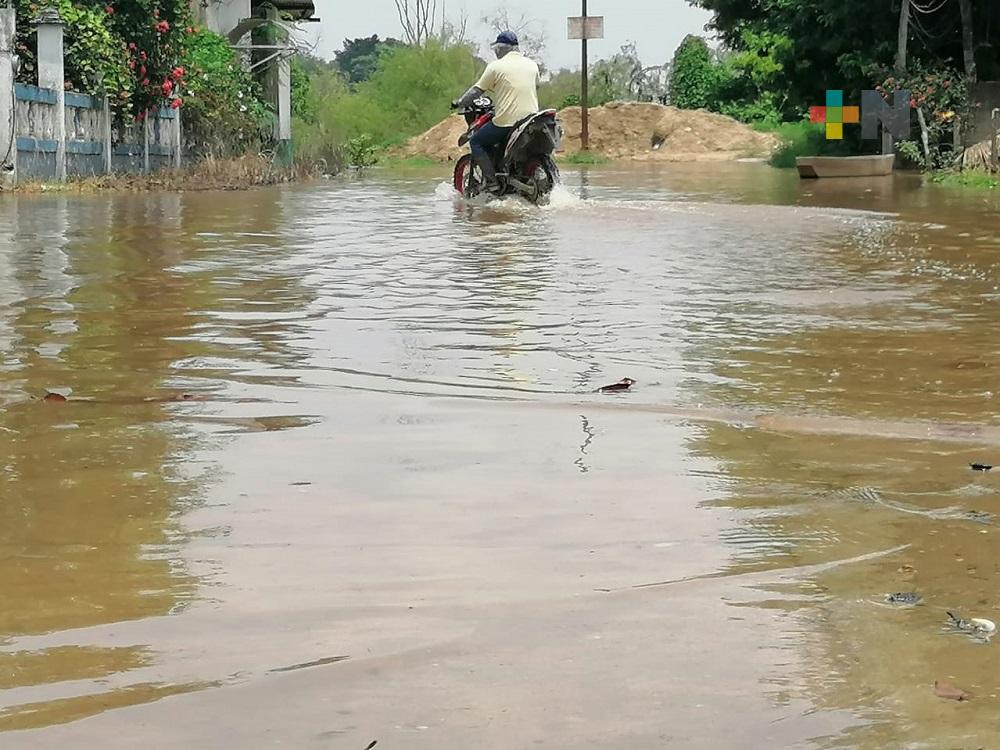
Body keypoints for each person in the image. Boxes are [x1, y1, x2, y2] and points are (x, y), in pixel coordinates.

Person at [452, 31, 540, 194]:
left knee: (476, 142)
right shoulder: (532, 65)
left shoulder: (495, 67)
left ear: (502, 48)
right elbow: (535, 87)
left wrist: (459, 102)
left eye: (496, 48)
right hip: (532, 119)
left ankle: (492, 182)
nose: (495, 51)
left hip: (508, 121)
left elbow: (476, 91)